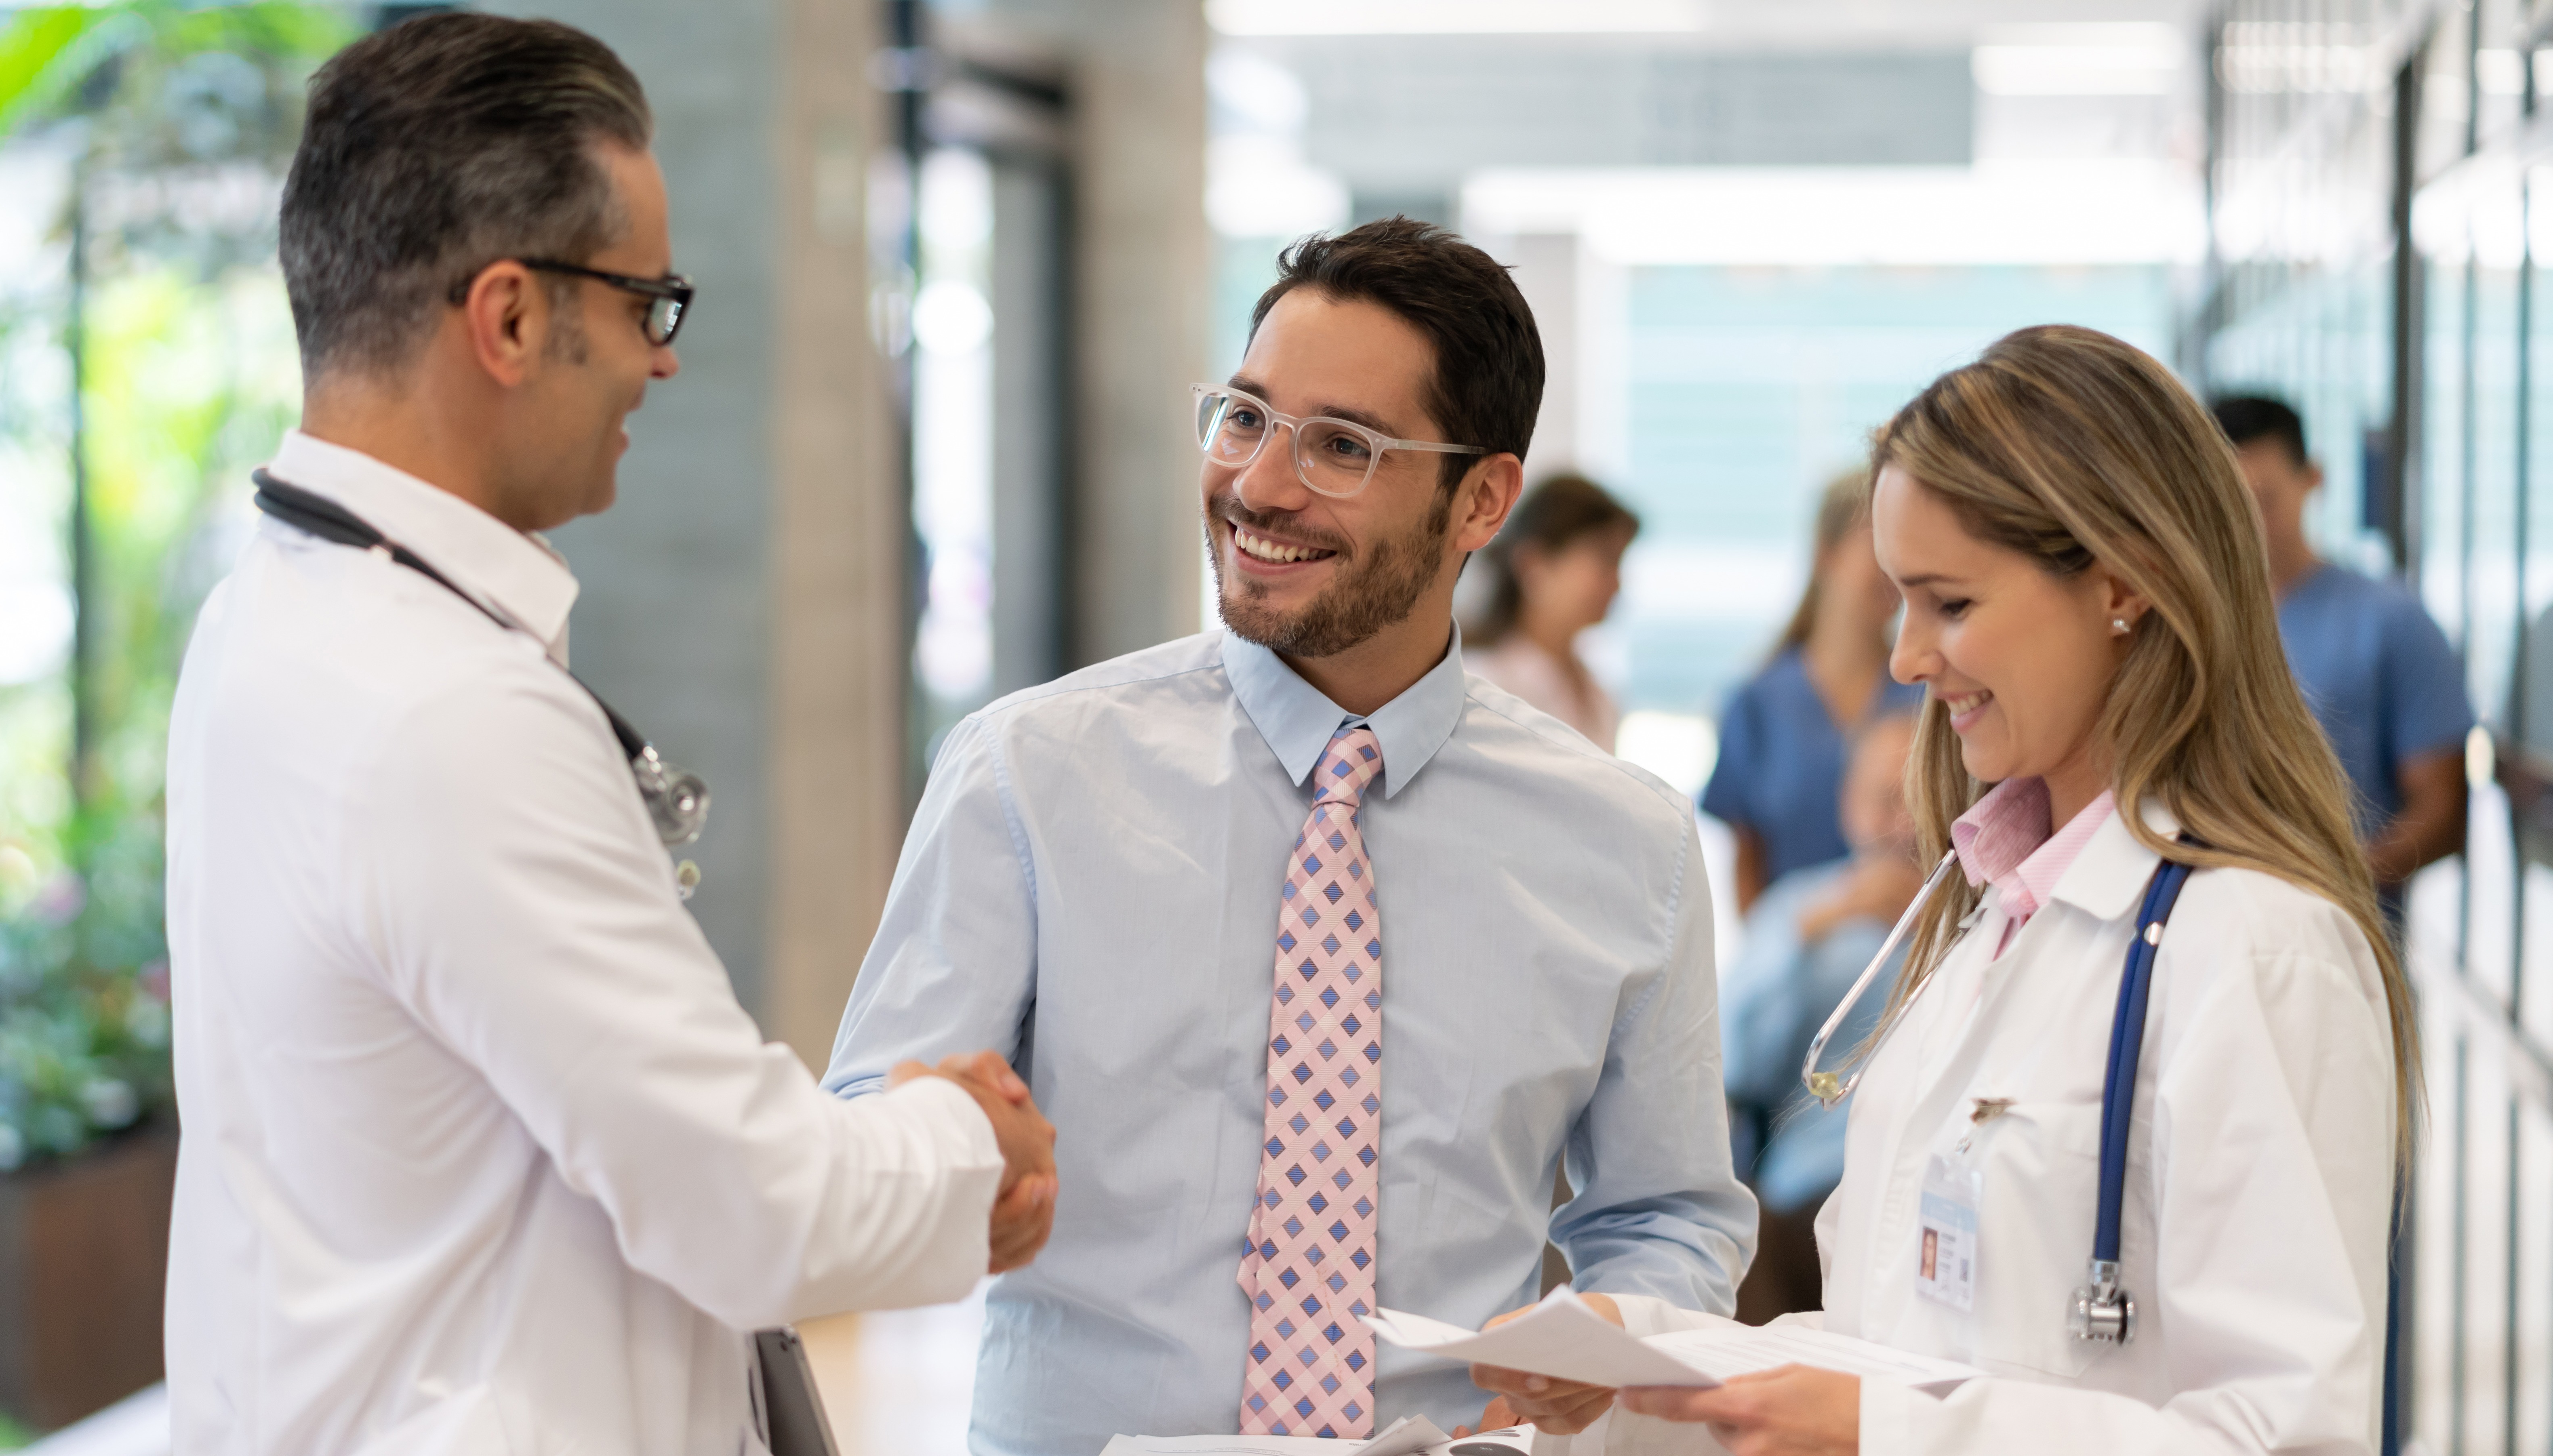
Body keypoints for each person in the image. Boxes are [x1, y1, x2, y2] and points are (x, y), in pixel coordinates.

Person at [160, 17, 1059, 1454]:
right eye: (648, 302)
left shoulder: (272, 618)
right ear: (509, 318)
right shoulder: (446, 713)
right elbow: (747, 1204)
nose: (662, 361)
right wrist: (971, 1141)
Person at [824, 217, 1753, 1452]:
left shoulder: (1624, 842)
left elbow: (1672, 1215)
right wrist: (944, 1165)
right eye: (1245, 416)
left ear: (1480, 499)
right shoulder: (1028, 774)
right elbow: (869, 1136)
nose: (1259, 484)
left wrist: (1611, 1326)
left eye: (1341, 446)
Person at [1467, 325, 2410, 1454]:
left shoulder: (2255, 949)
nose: (1908, 658)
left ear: (2123, 583)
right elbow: (1902, 1344)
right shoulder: (1987, 921)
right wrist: (1647, 1359)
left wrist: (1888, 1433)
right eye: (1898, 603)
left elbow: (2287, 1433)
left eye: (1949, 603)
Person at [2210, 394, 2471, 895]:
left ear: (2313, 479)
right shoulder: (2185, 626)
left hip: (2342, 936)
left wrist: (2325, 889)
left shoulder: (2392, 621)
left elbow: (2441, 815)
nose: (2245, 523)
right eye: (2226, 502)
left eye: (2264, 500)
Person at [1719, 714, 1917, 1325]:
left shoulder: (1980, 915)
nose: (1900, 825)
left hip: (1913, 1188)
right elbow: (1730, 1058)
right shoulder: (1795, 912)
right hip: (1803, 1189)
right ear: (1848, 807)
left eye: (1916, 801)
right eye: (1884, 802)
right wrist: (1816, 929)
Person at [1700, 473, 1923, 911]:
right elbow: (1746, 870)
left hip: (1904, 953)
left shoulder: (1927, 696)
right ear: (1827, 554)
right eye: (1878, 551)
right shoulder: (1757, 704)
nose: (1893, 573)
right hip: (1796, 955)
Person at [1460, 473, 1640, 750]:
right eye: (1605, 559)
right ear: (1534, 563)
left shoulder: (1598, 691)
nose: (1617, 583)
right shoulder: (1481, 684)